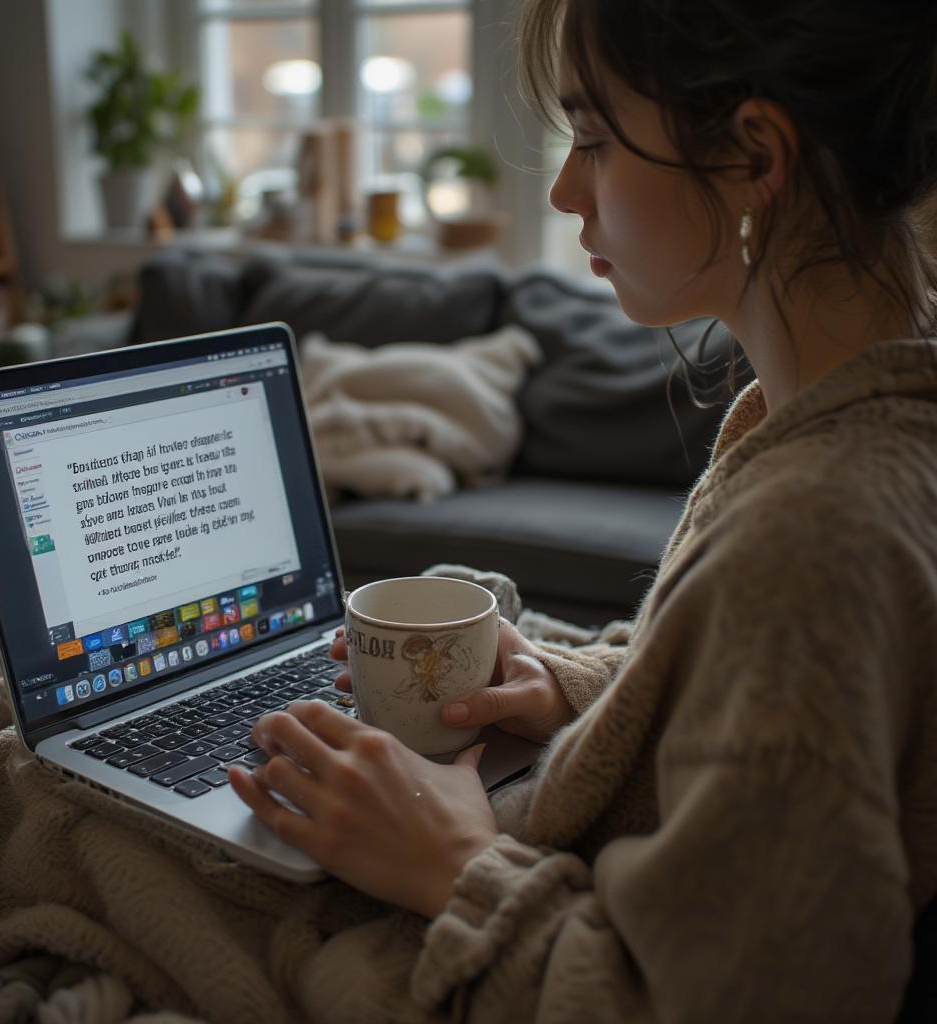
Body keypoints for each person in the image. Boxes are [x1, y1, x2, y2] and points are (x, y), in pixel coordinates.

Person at [224, 0, 937, 1018]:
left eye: (595, 141)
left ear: (752, 159)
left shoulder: (808, 536)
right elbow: (776, 706)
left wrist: (453, 863)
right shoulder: (852, 412)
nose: (563, 190)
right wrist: (589, 684)